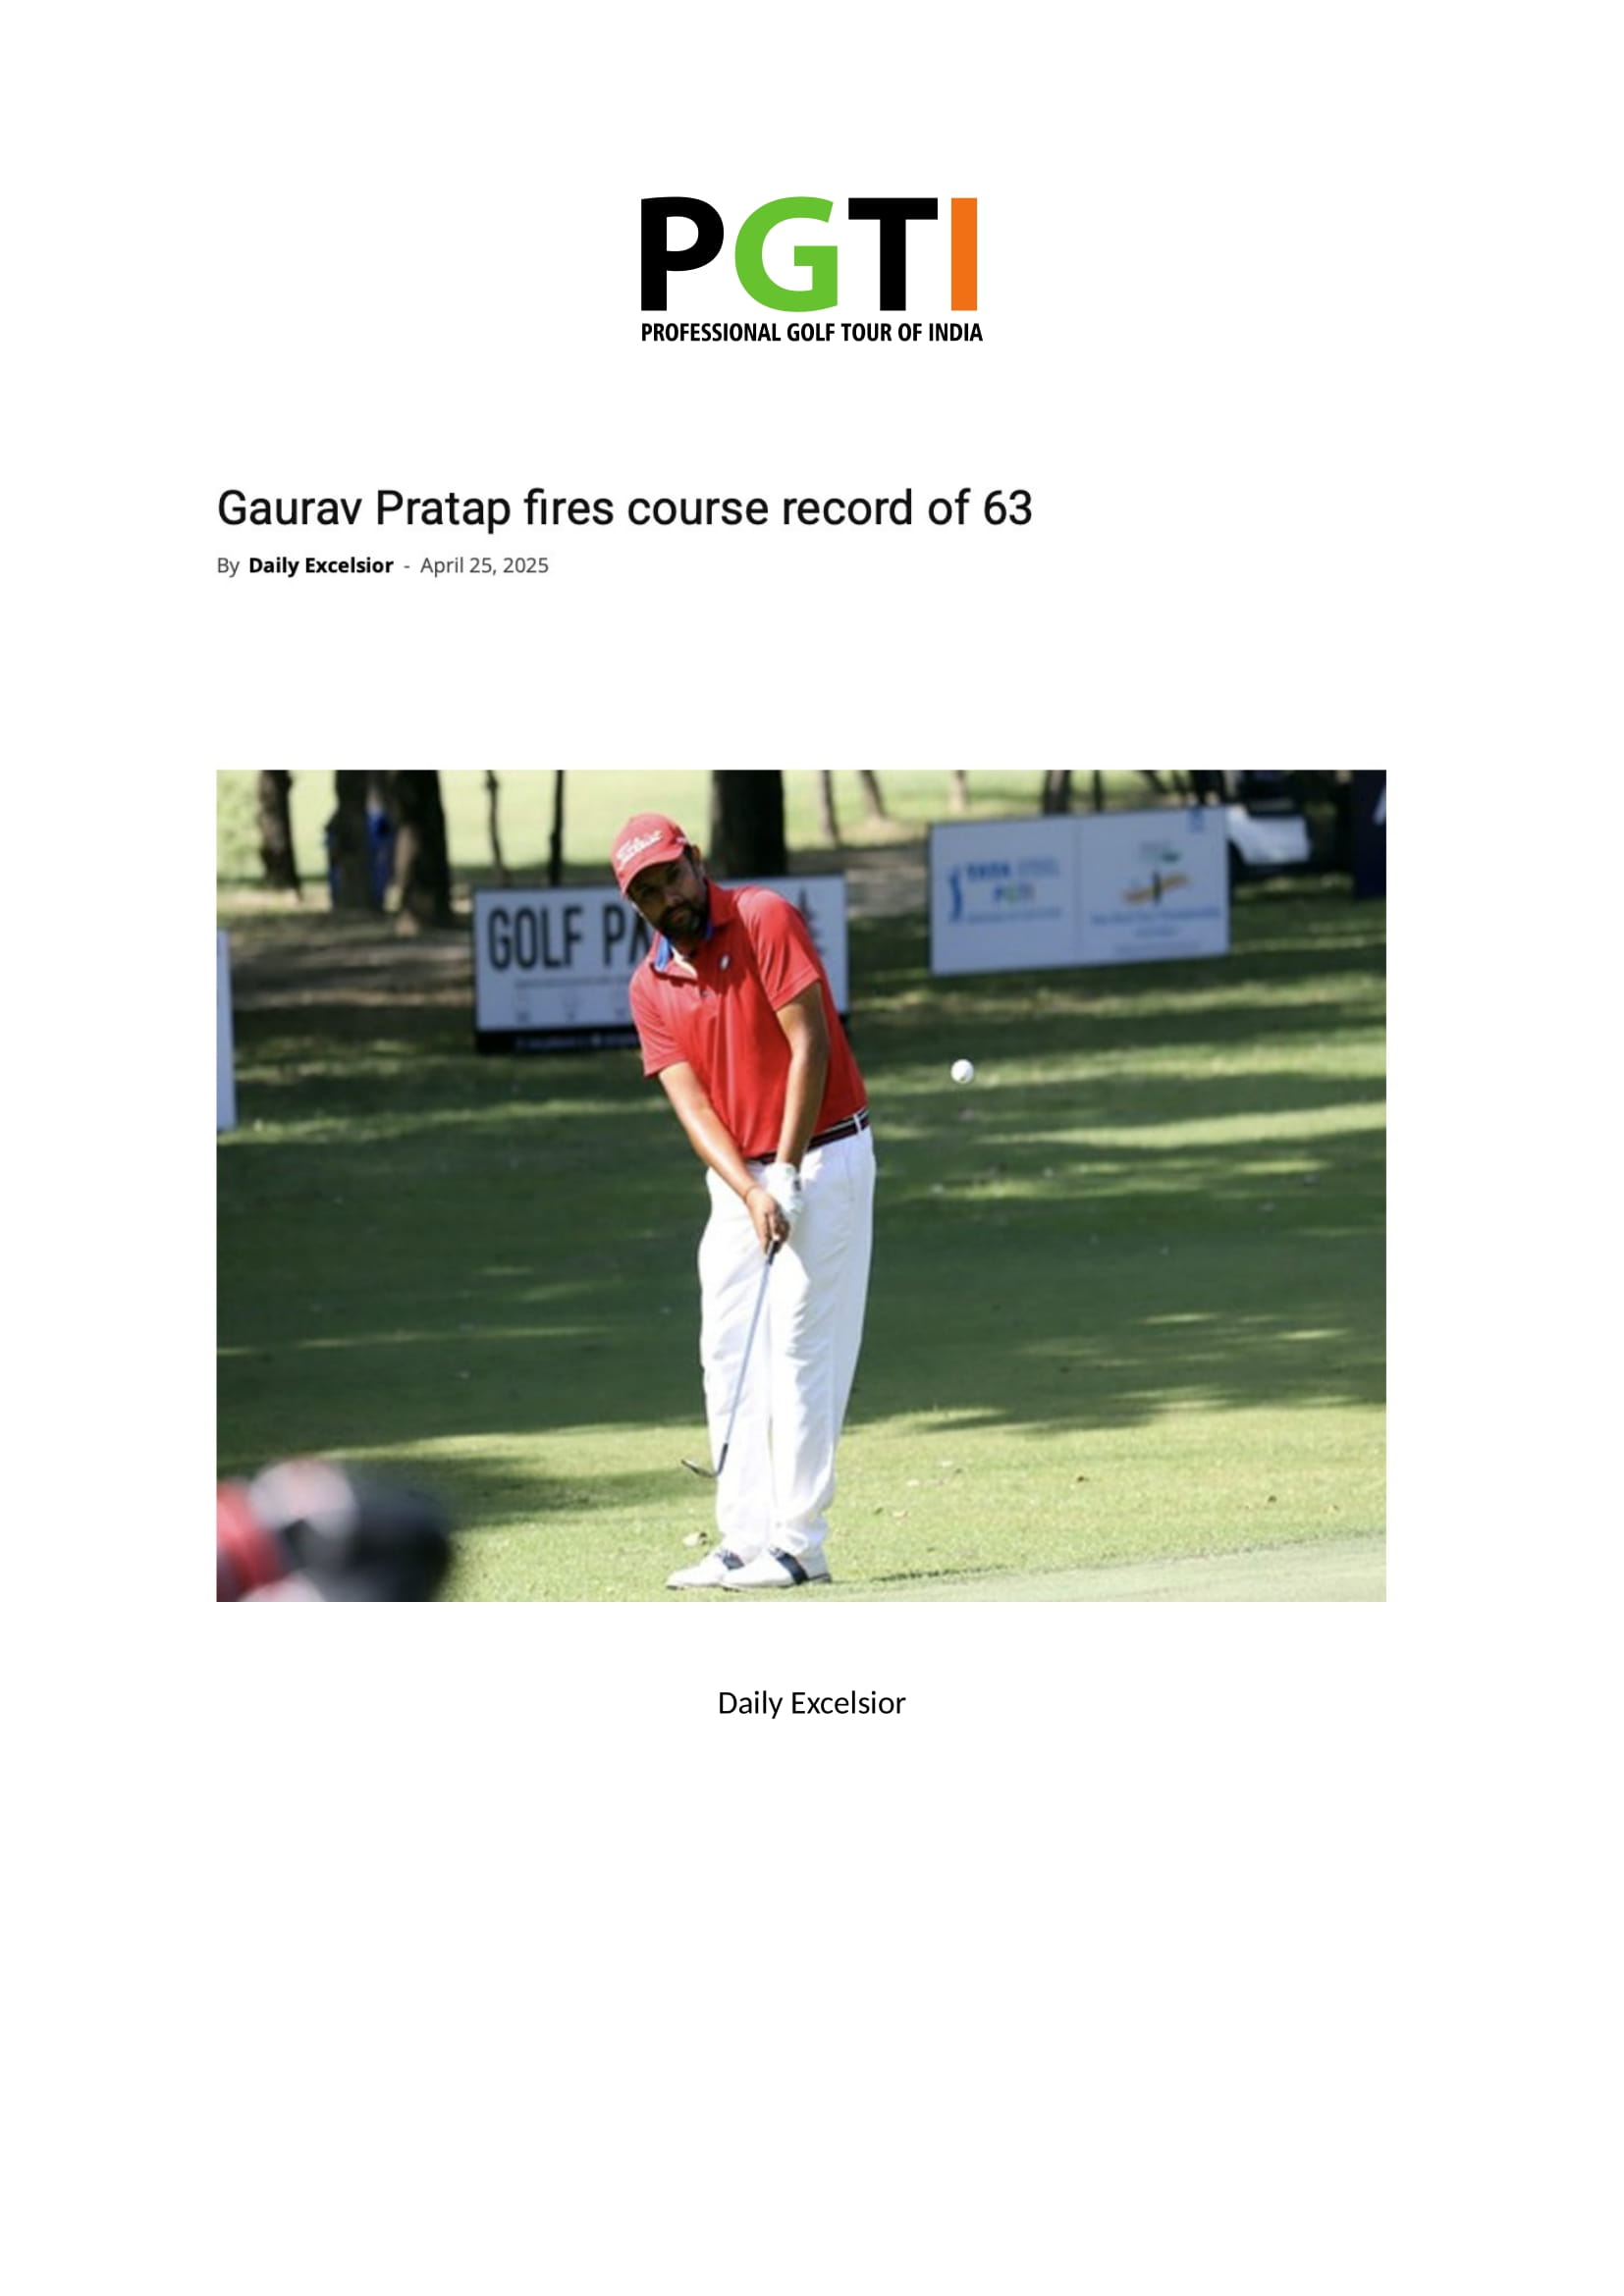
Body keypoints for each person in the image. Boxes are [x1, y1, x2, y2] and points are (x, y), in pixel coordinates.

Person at [613, 813, 875, 1590]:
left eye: (672, 876)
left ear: (696, 861)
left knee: (799, 1345)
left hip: (823, 1151)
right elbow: (693, 1106)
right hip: (742, 1179)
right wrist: (752, 1189)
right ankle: (743, 1537)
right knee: (726, 1347)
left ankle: (800, 1543)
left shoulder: (764, 917)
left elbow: (809, 1043)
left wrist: (785, 1172)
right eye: (648, 892)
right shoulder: (650, 984)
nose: (668, 898)